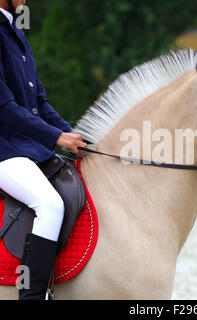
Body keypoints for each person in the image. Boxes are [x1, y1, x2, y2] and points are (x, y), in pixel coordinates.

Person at [0, 0, 86, 299]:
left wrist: (71, 134)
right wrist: (56, 138)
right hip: (3, 150)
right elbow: (5, 108)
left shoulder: (16, 32)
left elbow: (39, 102)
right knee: (49, 205)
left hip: (25, 145)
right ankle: (33, 295)